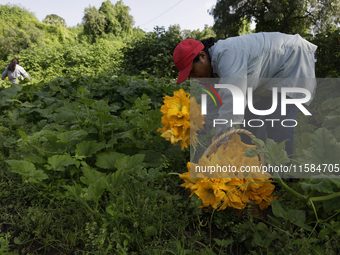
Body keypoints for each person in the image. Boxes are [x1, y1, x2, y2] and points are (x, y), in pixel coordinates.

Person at [173, 32, 317, 160]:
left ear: (202, 56)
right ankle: (255, 167)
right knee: (250, 122)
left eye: (192, 72)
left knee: (278, 121)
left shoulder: (227, 54)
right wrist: (194, 129)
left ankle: (283, 177)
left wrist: (219, 142)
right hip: (267, 75)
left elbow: (234, 103)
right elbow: (211, 109)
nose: (193, 78)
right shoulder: (207, 76)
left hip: (293, 58)